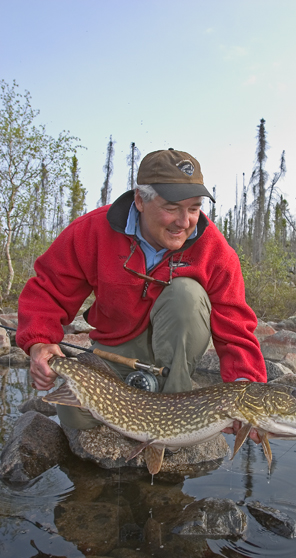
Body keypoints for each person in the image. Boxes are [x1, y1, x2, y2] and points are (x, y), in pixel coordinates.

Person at [16, 148, 267, 435]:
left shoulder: (215, 250)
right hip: (116, 349)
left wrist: (246, 389)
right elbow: (48, 290)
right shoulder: (92, 231)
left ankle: (176, 412)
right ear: (140, 200)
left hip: (176, 346)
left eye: (194, 208)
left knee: (186, 294)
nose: (184, 222)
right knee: (76, 418)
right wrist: (39, 342)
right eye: (171, 208)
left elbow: (236, 327)